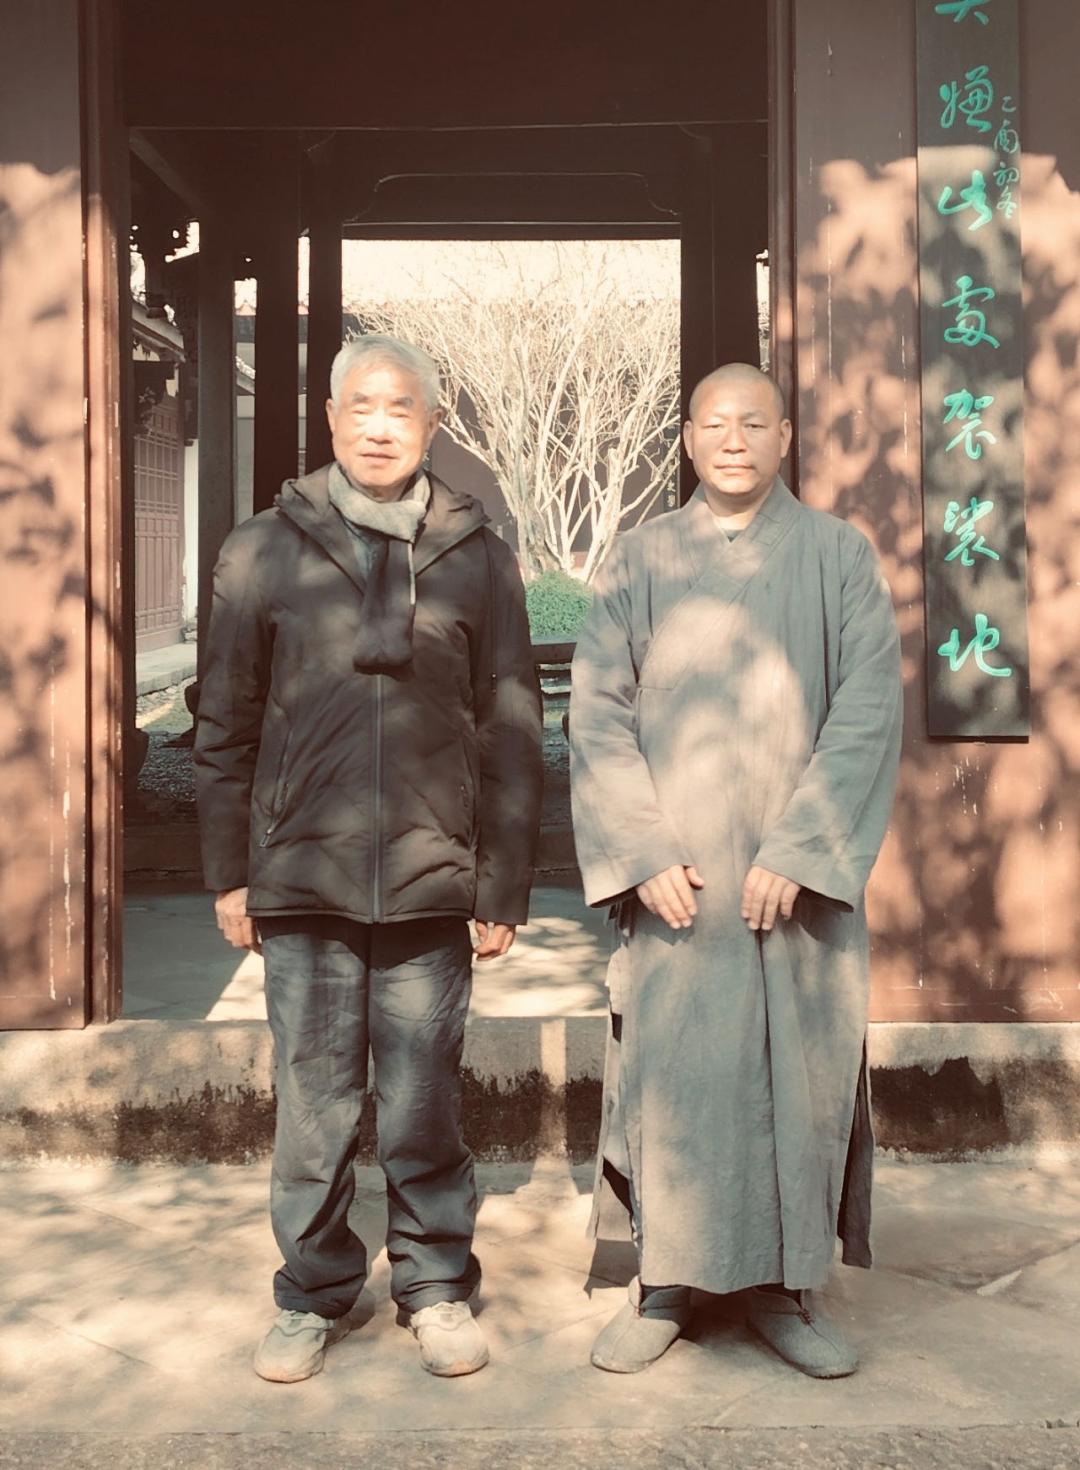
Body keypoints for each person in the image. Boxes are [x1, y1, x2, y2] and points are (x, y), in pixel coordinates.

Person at [195, 334, 543, 1384]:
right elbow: (224, 723)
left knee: (425, 1099)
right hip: (303, 875)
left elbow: (511, 724)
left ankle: (435, 1286)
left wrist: (503, 882)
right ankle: (312, 1292)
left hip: (433, 877)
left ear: (431, 426)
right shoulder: (263, 549)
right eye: (363, 407)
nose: (381, 427)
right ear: (333, 420)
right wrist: (230, 873)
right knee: (315, 1107)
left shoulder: (478, 555)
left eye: (401, 409)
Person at [569, 362, 903, 1379]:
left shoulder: (838, 555)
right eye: (714, 424)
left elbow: (868, 709)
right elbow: (596, 713)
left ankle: (784, 1290)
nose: (733, 440)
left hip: (796, 888)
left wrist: (802, 848)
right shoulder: (639, 558)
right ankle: (665, 1284)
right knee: (674, 1072)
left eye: (753, 423)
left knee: (797, 1080)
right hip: (681, 883)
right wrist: (641, 851)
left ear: (785, 436)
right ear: (687, 439)